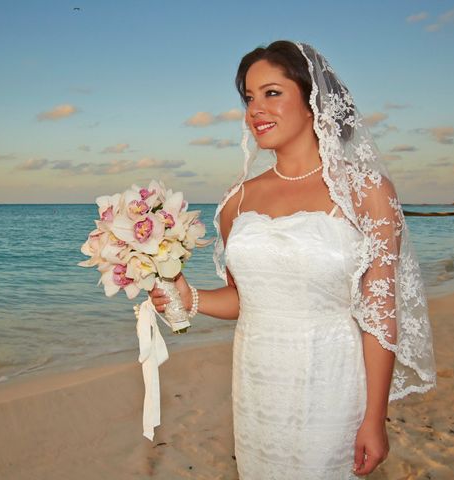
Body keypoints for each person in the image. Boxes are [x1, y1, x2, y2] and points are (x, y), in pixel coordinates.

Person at [149, 40, 436, 479]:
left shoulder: (366, 191)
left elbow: (380, 315)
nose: (255, 110)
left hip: (332, 380)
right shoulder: (237, 200)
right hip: (257, 384)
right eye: (248, 98)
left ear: (311, 101)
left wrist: (374, 419)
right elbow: (243, 300)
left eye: (272, 93)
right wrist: (188, 297)